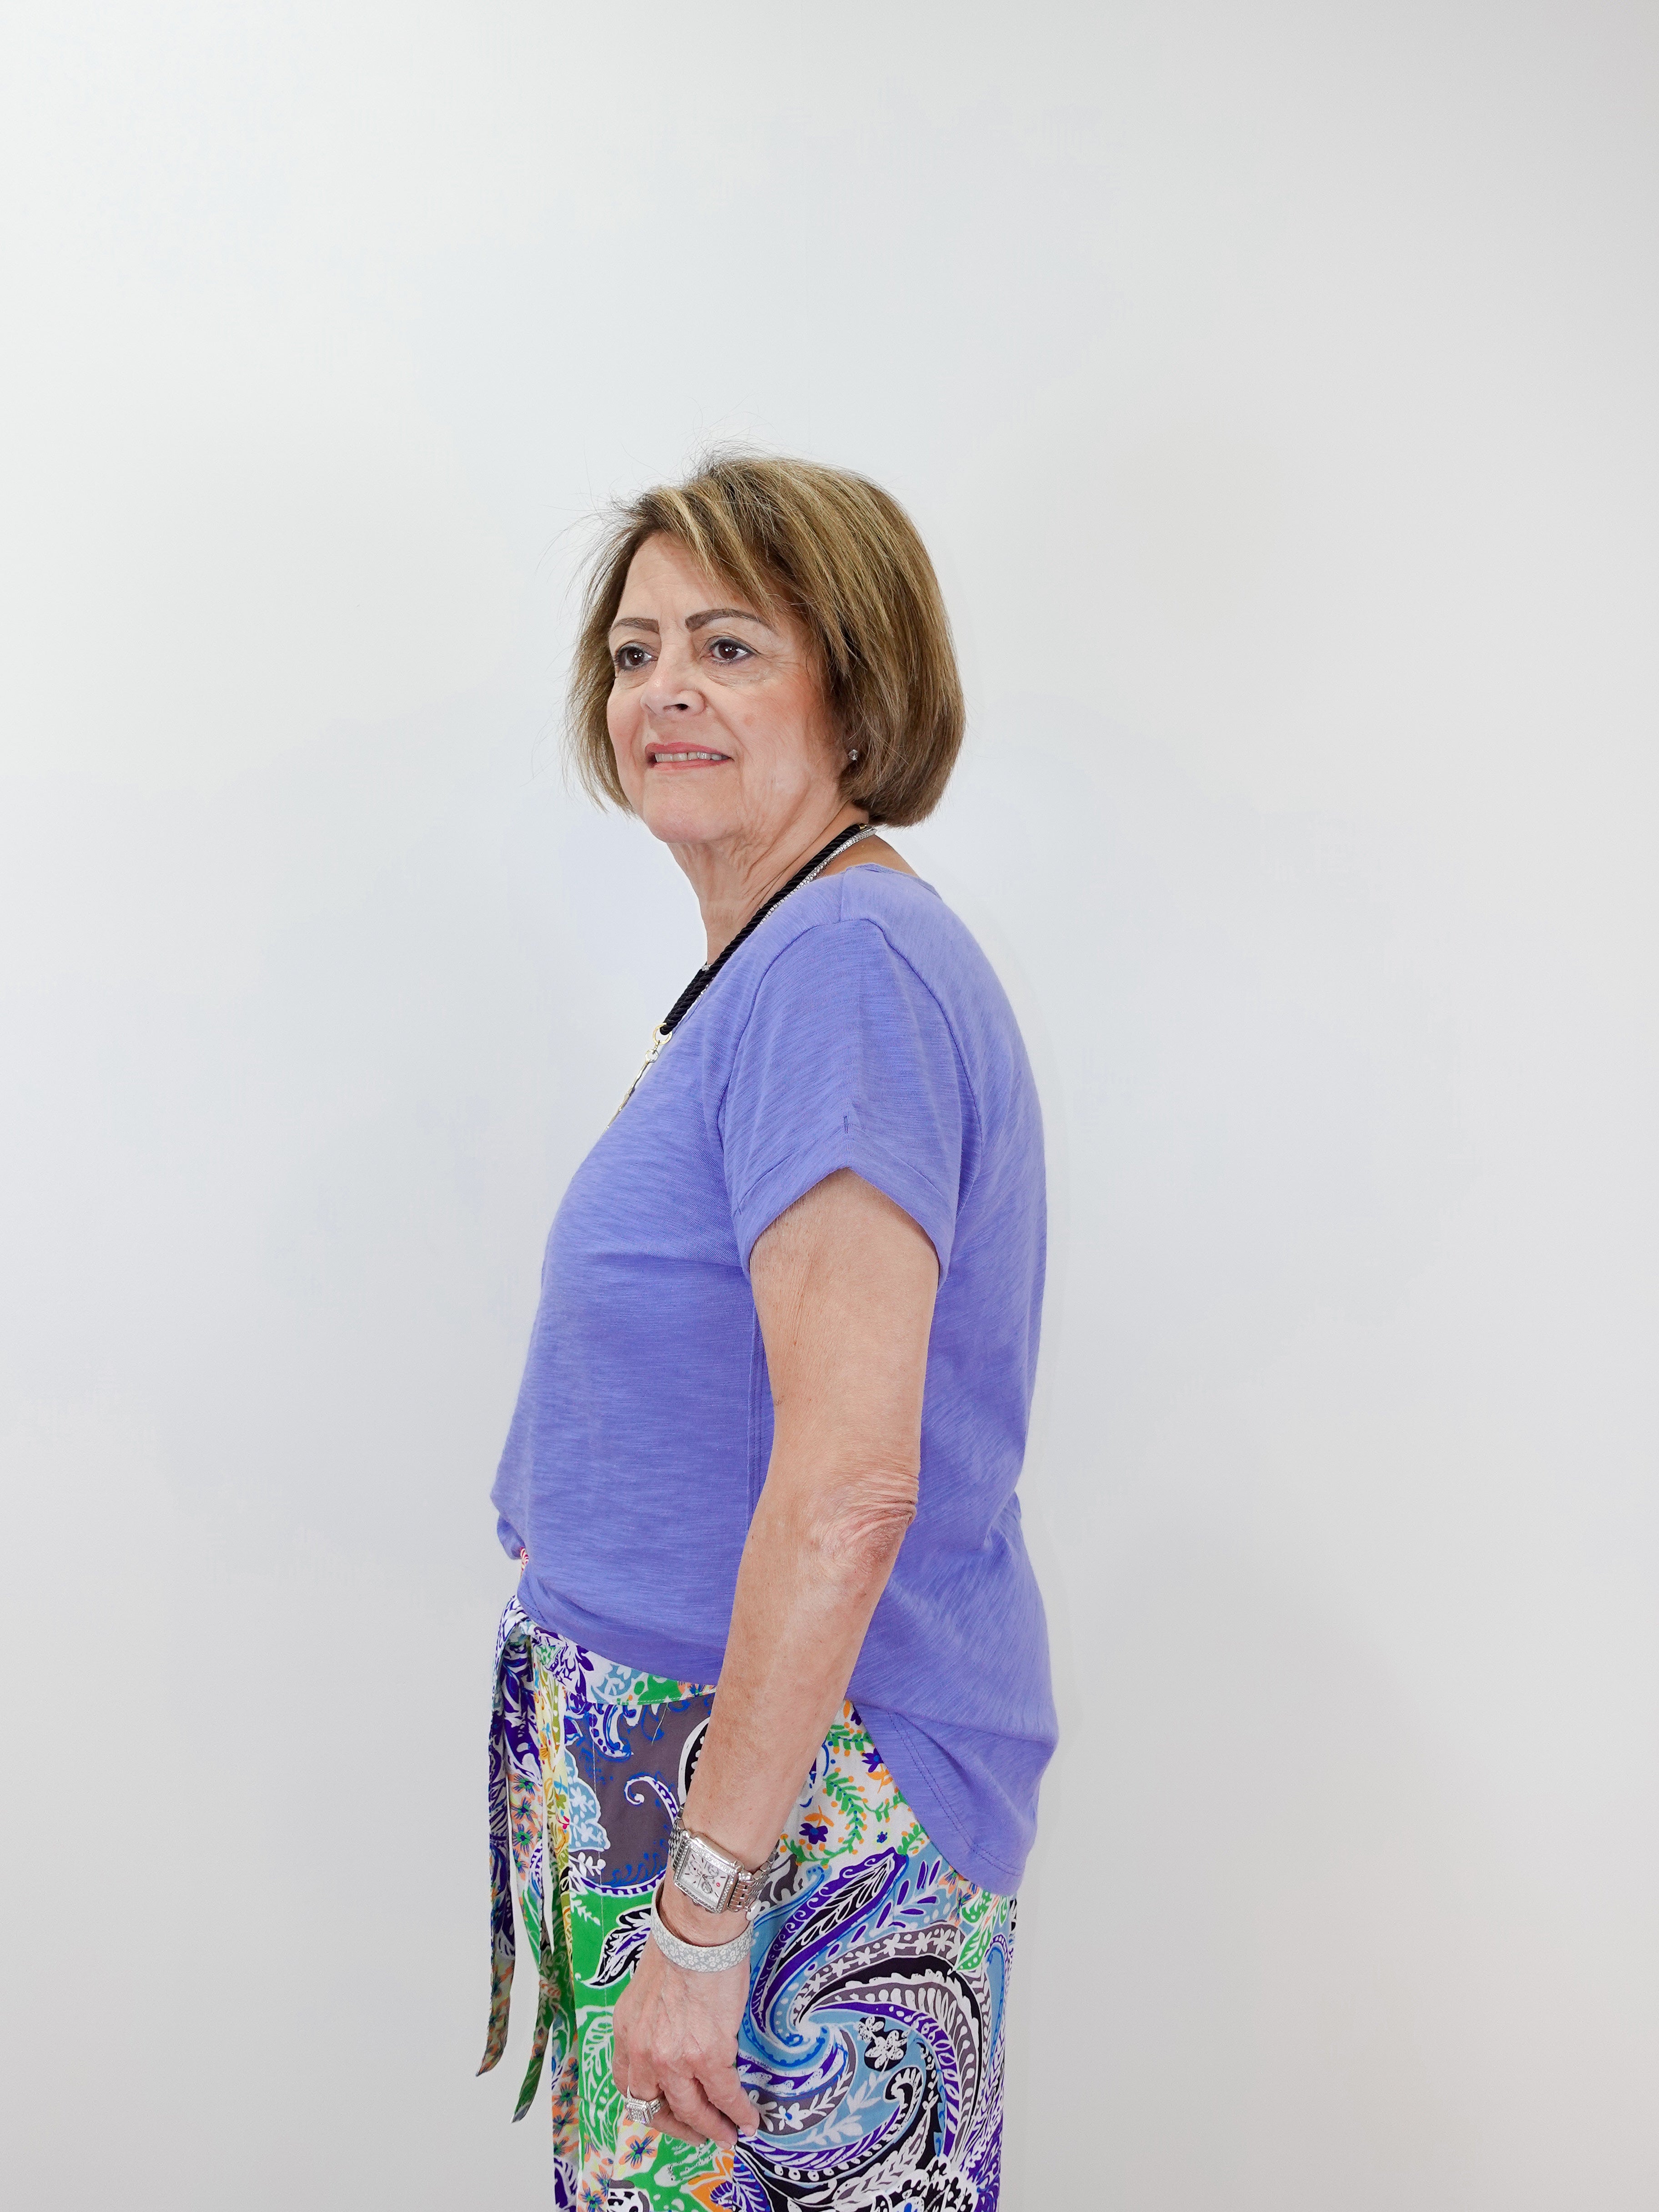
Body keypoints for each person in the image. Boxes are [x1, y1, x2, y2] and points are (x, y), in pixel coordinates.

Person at [480, 453, 1055, 2212]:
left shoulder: (842, 973)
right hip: (697, 1774)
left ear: (857, 687)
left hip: (777, 1809)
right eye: (639, 648)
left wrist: (708, 1902)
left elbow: (852, 1482)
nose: (664, 688)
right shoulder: (788, 962)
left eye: (728, 645)